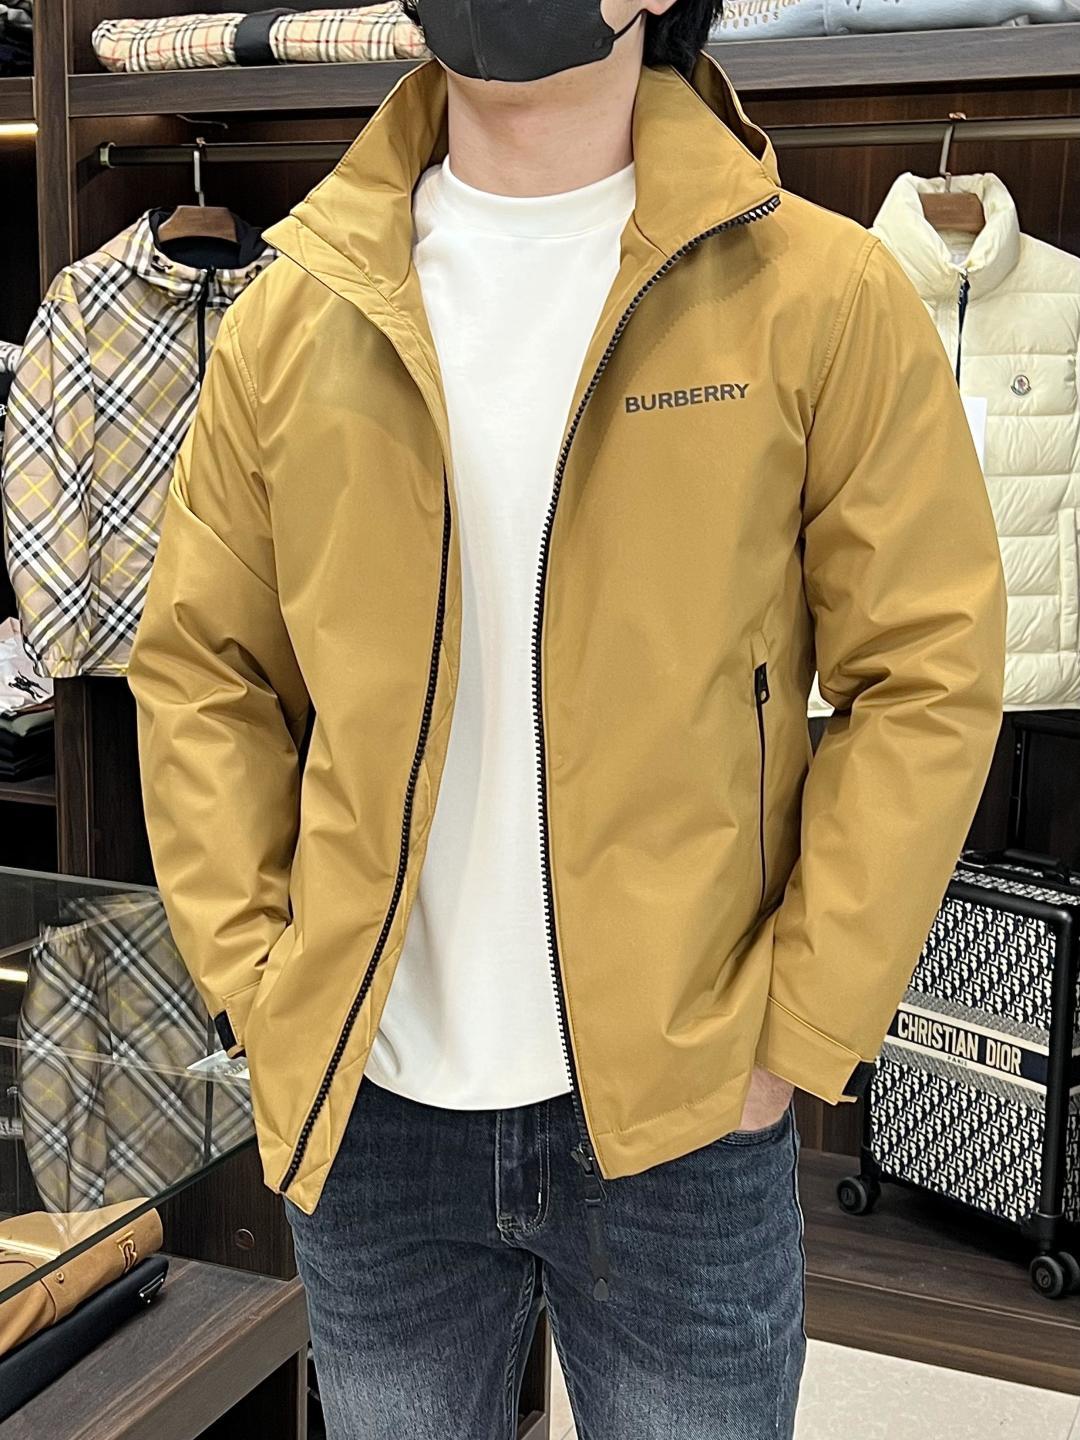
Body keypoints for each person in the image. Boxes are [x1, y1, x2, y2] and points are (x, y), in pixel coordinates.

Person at [127, 2, 1007, 1435]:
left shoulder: (819, 293)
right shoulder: (297, 311)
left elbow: (925, 672)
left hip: (689, 1107)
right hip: (373, 1106)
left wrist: (796, 1029)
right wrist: (257, 975)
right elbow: (203, 669)